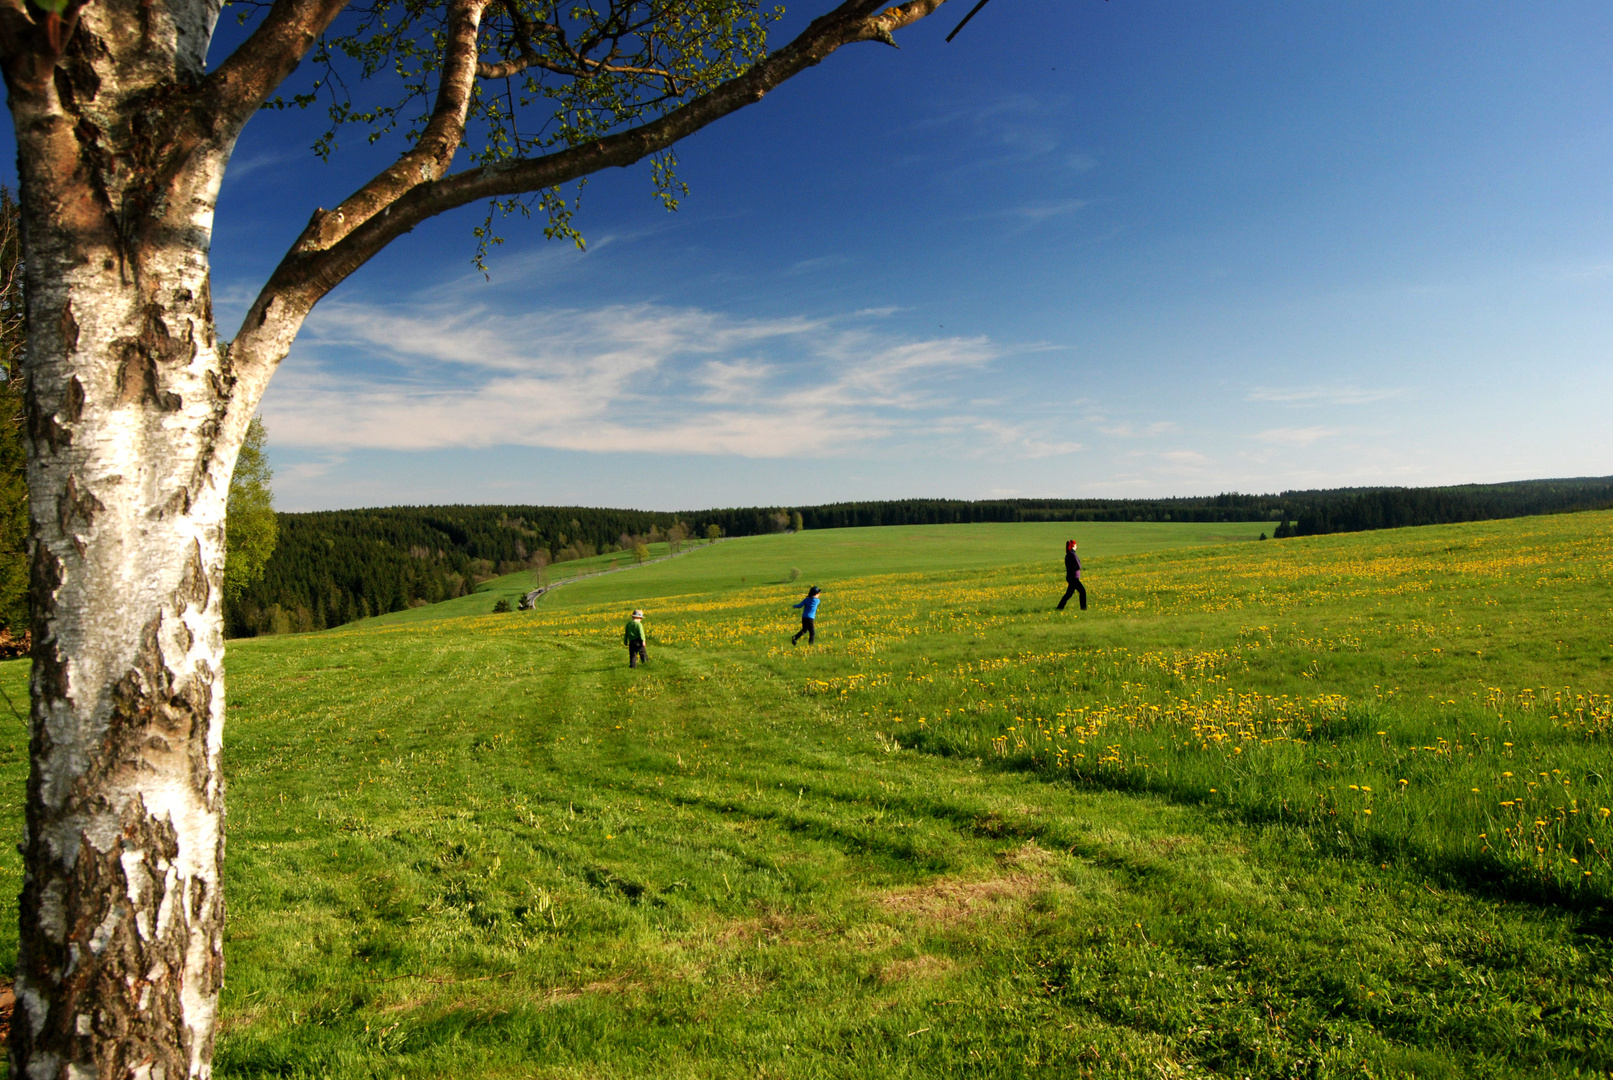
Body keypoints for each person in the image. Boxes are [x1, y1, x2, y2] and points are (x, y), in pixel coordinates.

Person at [1057, 539, 1087, 611]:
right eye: (1076, 544)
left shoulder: (1067, 554)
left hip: (1070, 577)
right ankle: (1083, 608)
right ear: (1073, 546)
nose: (1077, 546)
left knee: (1069, 594)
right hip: (1074, 577)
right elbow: (1079, 566)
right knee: (1082, 591)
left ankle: (1059, 607)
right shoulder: (1073, 555)